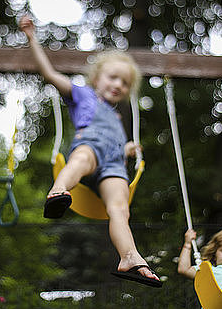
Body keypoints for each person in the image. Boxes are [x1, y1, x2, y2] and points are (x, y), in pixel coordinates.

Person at [19, 15, 161, 288]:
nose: (118, 85)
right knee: (81, 157)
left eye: (125, 83)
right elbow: (49, 74)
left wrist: (127, 148)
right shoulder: (82, 95)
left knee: (120, 208)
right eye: (113, 78)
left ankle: (129, 257)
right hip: (91, 148)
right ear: (97, 78)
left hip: (115, 166)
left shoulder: (118, 118)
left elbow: (118, 147)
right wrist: (31, 38)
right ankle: (58, 190)